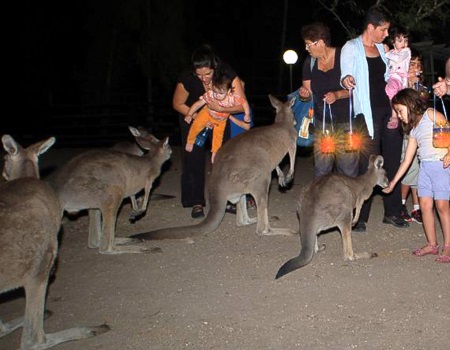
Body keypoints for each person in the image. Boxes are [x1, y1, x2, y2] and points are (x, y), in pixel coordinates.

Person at [340, 5, 408, 232]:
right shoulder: (351, 47)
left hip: (387, 111)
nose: (387, 34)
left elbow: (393, 79)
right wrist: (347, 79)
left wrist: (395, 111)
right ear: (371, 27)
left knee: (392, 160)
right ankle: (360, 216)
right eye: (384, 29)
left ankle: (393, 212)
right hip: (365, 115)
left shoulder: (382, 48)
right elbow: (345, 75)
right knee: (368, 166)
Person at [172, 44, 247, 218]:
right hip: (193, 116)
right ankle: (195, 201)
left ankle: (226, 199)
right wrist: (200, 116)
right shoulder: (187, 78)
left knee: (222, 157)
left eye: (208, 74)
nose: (204, 79)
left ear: (215, 68)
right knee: (193, 157)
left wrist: (218, 110)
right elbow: (178, 103)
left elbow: (241, 104)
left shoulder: (227, 73)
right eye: (199, 75)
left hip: (222, 117)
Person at [383, 88, 450, 263]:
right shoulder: (413, 131)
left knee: (442, 206)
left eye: (399, 110)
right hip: (425, 168)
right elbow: (406, 161)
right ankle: (432, 244)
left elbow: (448, 132)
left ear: (410, 104)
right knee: (425, 206)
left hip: (441, 166)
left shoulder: (431, 114)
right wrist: (393, 183)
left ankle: (448, 246)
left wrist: (449, 153)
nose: (398, 115)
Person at [298, 22, 356, 178]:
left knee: (348, 169)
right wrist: (305, 95)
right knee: (322, 169)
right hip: (322, 123)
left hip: (346, 122)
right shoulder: (309, 63)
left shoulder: (344, 56)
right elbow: (308, 93)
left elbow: (356, 89)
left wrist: (337, 95)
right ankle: (322, 201)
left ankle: (348, 202)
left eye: (309, 44)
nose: (307, 48)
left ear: (321, 42)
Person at [185, 70, 251, 164]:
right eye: (215, 92)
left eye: (220, 94)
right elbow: (198, 104)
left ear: (228, 91)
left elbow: (244, 102)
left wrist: (247, 114)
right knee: (196, 124)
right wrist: (189, 114)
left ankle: (215, 152)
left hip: (221, 120)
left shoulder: (232, 98)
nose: (217, 96)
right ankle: (190, 140)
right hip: (207, 113)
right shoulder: (211, 95)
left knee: (218, 137)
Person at [399, 49, 425, 224]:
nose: (415, 67)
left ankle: (416, 208)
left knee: (419, 171)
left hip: (419, 131)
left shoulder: (421, 87)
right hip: (406, 133)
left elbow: (423, 103)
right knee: (408, 168)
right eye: (412, 64)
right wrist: (408, 83)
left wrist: (417, 86)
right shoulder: (400, 83)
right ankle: (400, 205)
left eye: (418, 64)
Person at [385, 26, 411, 129]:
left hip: (402, 78)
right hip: (393, 77)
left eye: (406, 40)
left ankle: (405, 119)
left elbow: (398, 58)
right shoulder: (391, 53)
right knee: (391, 91)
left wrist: (386, 53)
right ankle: (394, 116)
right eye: (400, 41)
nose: (404, 44)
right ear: (393, 41)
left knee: (404, 101)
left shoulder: (406, 51)